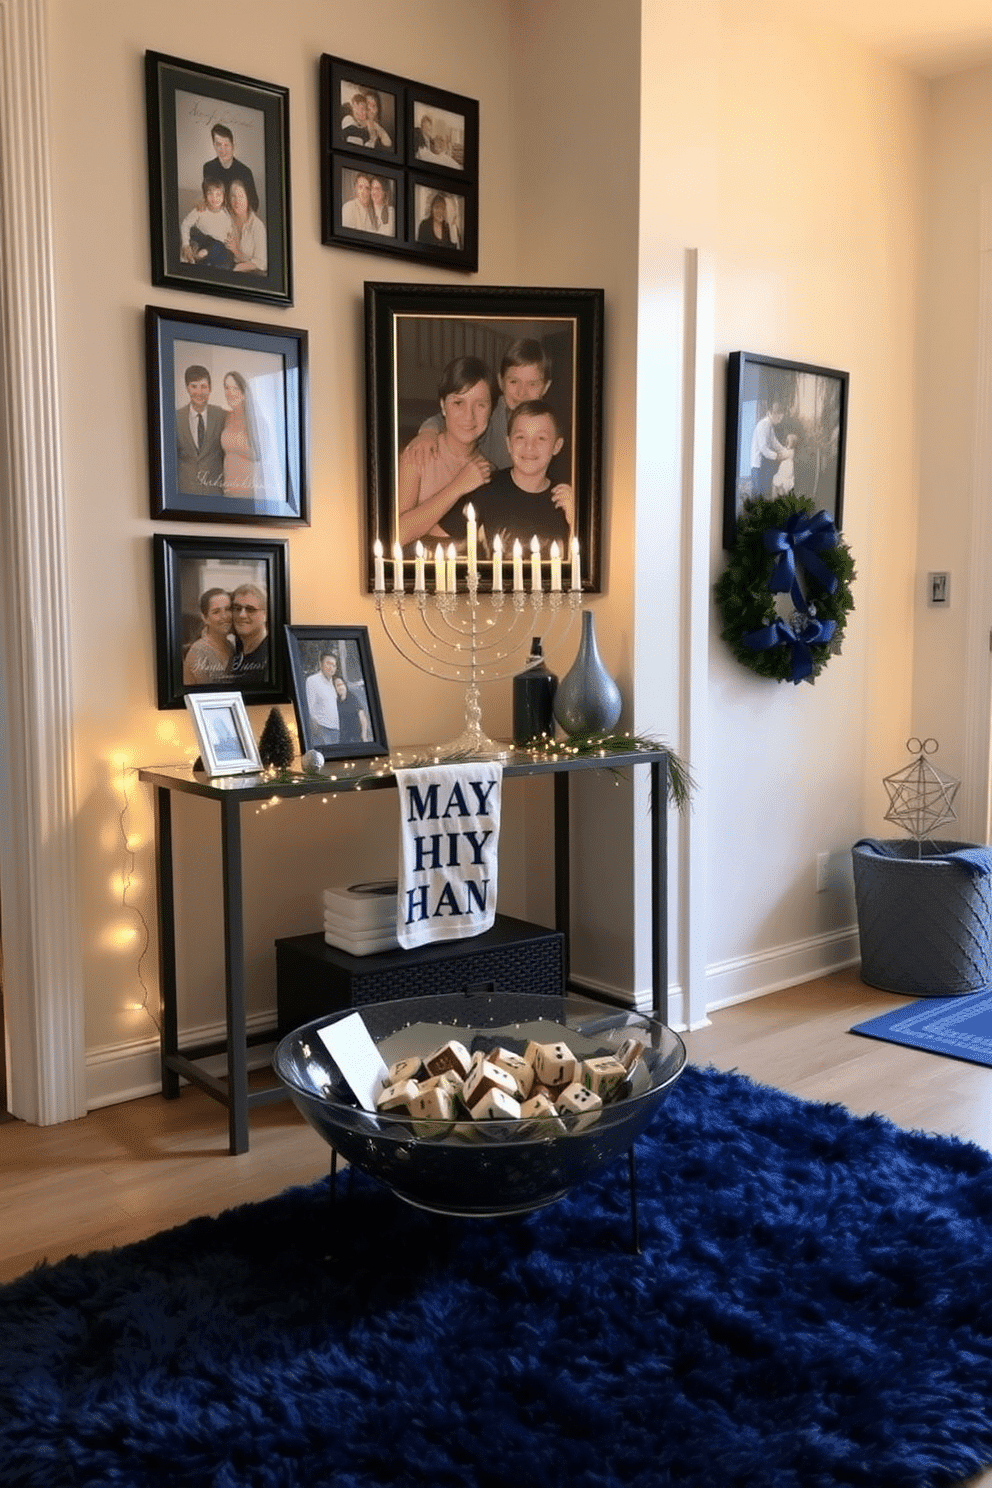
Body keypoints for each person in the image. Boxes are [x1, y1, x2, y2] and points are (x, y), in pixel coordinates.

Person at [410, 339, 571, 522]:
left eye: (532, 384)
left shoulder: (549, 425)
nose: (522, 392)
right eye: (513, 382)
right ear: (501, 382)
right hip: (482, 495)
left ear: (546, 387)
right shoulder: (488, 414)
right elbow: (447, 418)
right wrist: (427, 433)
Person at [397, 355, 494, 550]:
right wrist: (459, 486)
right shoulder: (417, 455)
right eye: (458, 403)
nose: (469, 415)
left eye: (480, 404)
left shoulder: (489, 471)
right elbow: (398, 534)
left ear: (491, 409)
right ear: (443, 406)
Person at [472, 401, 571, 557]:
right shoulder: (485, 489)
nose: (529, 446)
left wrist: (575, 521)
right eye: (520, 437)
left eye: (541, 438)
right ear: (509, 444)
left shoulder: (567, 500)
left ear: (557, 446)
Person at [176, 365, 226, 496]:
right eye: (194, 386)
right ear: (187, 388)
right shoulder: (175, 418)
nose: (199, 392)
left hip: (215, 495)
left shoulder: (222, 415)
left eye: (203, 386)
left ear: (210, 388)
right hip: (184, 495)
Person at [220, 371, 263, 498]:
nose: (230, 393)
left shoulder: (256, 420)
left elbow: (264, 461)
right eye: (227, 388)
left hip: (250, 494)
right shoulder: (226, 417)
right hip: (227, 493)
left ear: (244, 392)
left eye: (235, 388)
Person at [182, 589, 234, 685]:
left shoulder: (231, 647)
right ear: (204, 618)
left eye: (227, 609)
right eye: (216, 612)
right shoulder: (199, 651)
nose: (224, 616)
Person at [180, 178, 234, 268]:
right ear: (205, 195)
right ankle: (194, 255)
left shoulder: (226, 214)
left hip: (215, 246)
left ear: (224, 196)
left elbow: (229, 232)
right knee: (194, 231)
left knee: (220, 247)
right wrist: (185, 244)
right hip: (200, 238)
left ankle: (202, 256)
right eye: (210, 194)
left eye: (218, 194)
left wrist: (229, 239)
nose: (214, 198)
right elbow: (185, 224)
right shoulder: (201, 209)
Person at [202, 124, 258, 206]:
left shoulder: (245, 172)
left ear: (233, 145)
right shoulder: (208, 168)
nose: (222, 150)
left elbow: (254, 204)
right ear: (214, 145)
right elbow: (208, 198)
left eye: (226, 145)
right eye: (218, 144)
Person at [225, 179, 267, 275]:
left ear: (248, 198)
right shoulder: (226, 218)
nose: (237, 201)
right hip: (226, 266)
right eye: (233, 196)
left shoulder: (257, 226)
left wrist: (236, 253)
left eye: (241, 196)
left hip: (249, 273)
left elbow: (261, 262)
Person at [229, 582, 268, 681]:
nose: (242, 615)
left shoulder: (271, 655)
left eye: (250, 609)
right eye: (237, 608)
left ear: (266, 615)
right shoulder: (234, 651)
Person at [750, 401, 788, 497]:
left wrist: (786, 451)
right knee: (759, 497)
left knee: (763, 496)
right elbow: (763, 449)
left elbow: (774, 443)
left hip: (761, 465)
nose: (780, 421)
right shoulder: (764, 425)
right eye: (779, 418)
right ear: (773, 413)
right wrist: (777, 456)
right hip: (758, 466)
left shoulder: (769, 425)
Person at [305, 652, 341, 747]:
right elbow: (310, 706)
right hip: (322, 728)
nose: (331, 667)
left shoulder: (333, 682)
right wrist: (316, 728)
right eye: (328, 663)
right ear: (321, 664)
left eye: (334, 665)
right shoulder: (312, 680)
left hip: (336, 729)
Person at [334, 674, 371, 744]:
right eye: (338, 685)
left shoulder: (352, 698)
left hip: (356, 738)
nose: (341, 687)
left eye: (342, 684)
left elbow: (363, 718)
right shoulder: (337, 701)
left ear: (345, 685)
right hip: (344, 740)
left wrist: (364, 736)